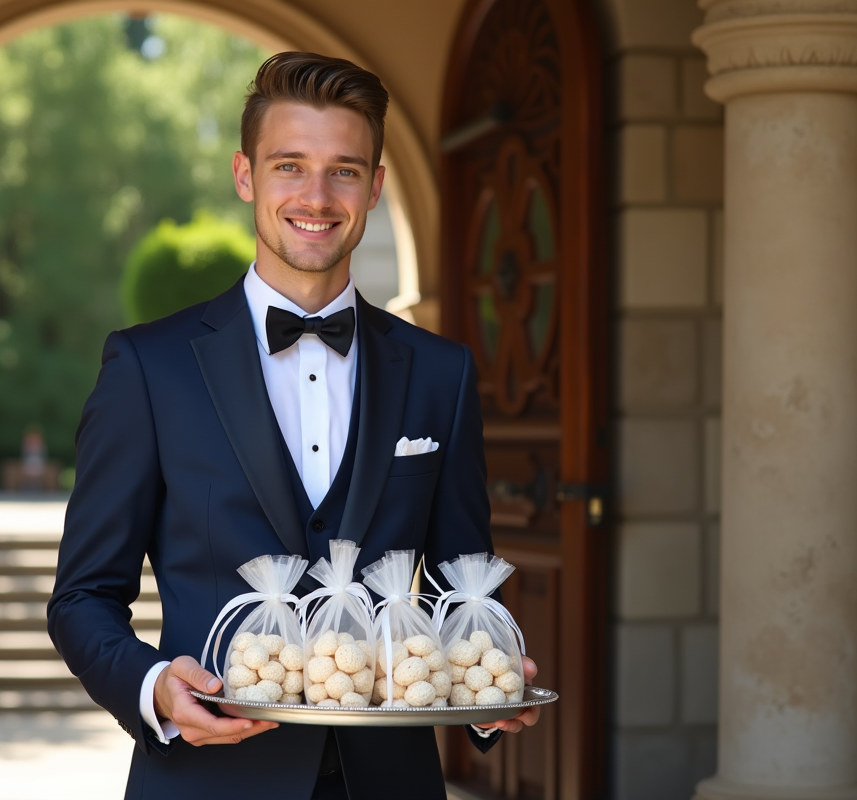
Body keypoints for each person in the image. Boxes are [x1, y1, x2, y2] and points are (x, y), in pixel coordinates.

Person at [47, 51, 540, 800]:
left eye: (344, 169)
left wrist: (487, 687)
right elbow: (82, 597)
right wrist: (152, 687)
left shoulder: (442, 373)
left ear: (375, 185)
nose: (317, 195)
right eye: (289, 166)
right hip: (208, 780)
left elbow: (457, 578)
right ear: (246, 176)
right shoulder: (149, 368)